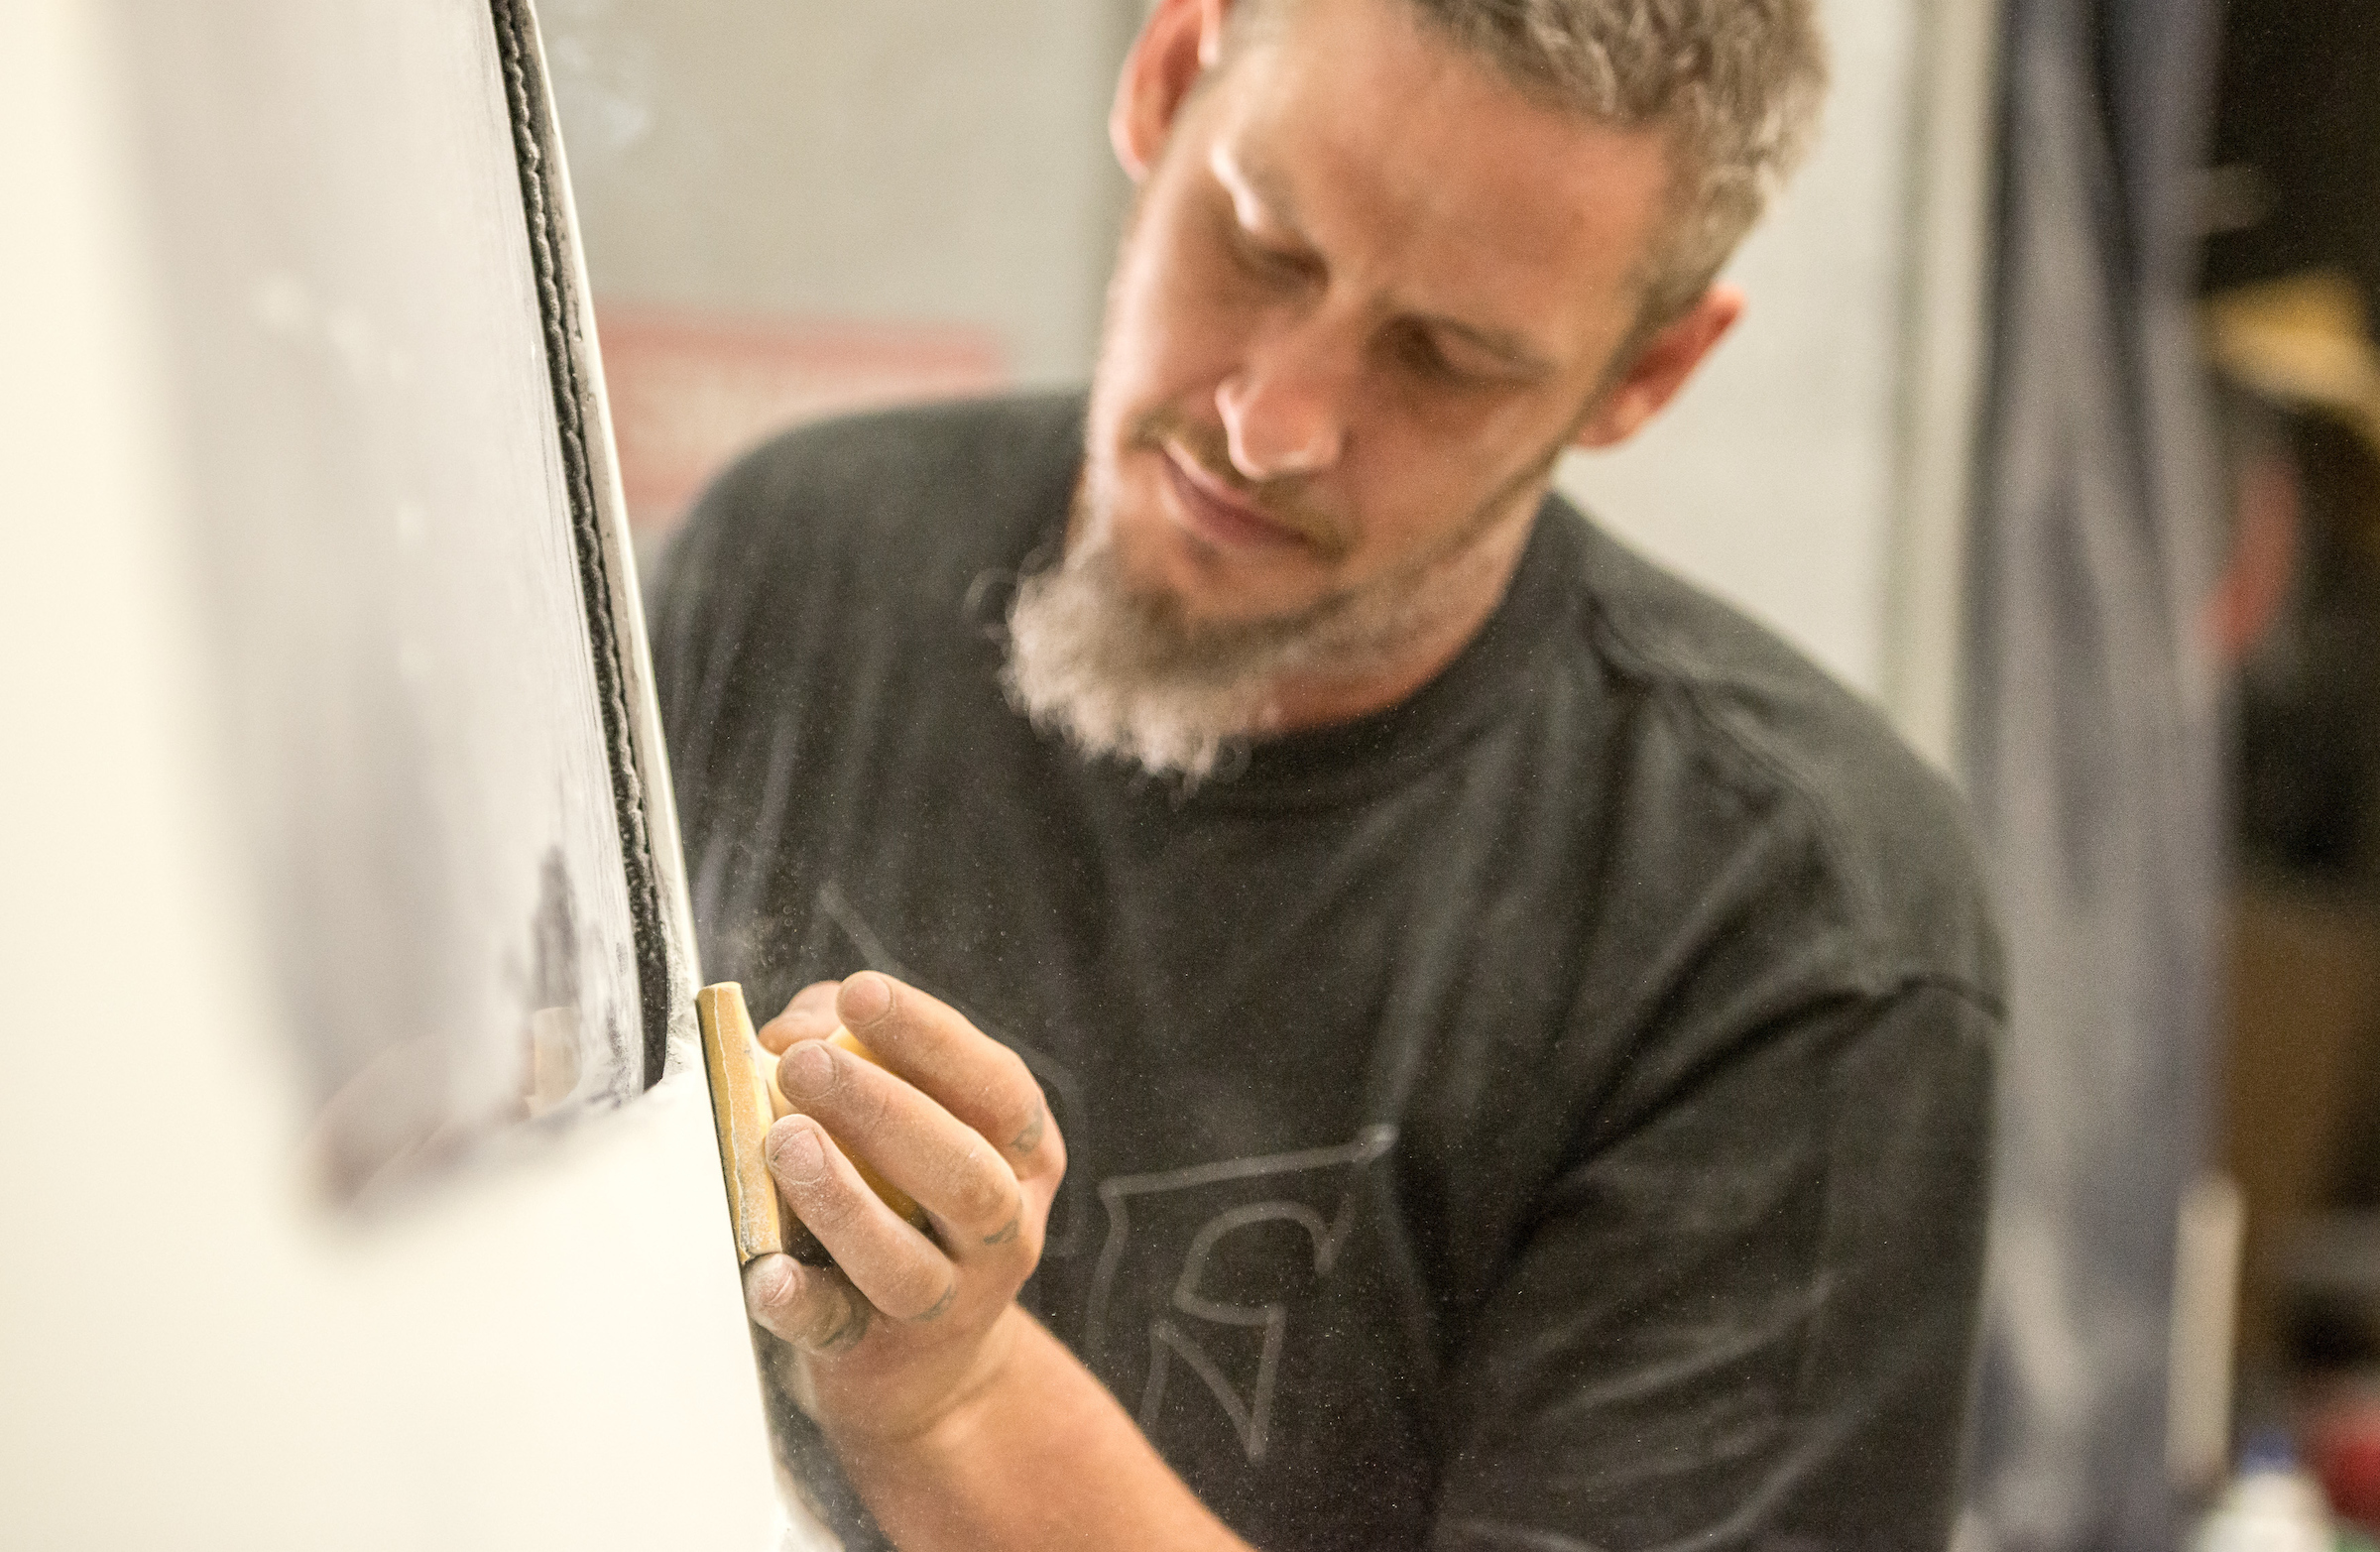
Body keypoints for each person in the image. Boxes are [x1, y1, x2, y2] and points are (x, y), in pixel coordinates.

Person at [653, 0, 2002, 1546]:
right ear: (1164, 80)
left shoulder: (1800, 926)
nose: (1267, 420)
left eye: (1444, 360)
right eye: (1262, 247)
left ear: (1649, 371)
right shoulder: (791, 564)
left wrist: (955, 1399)